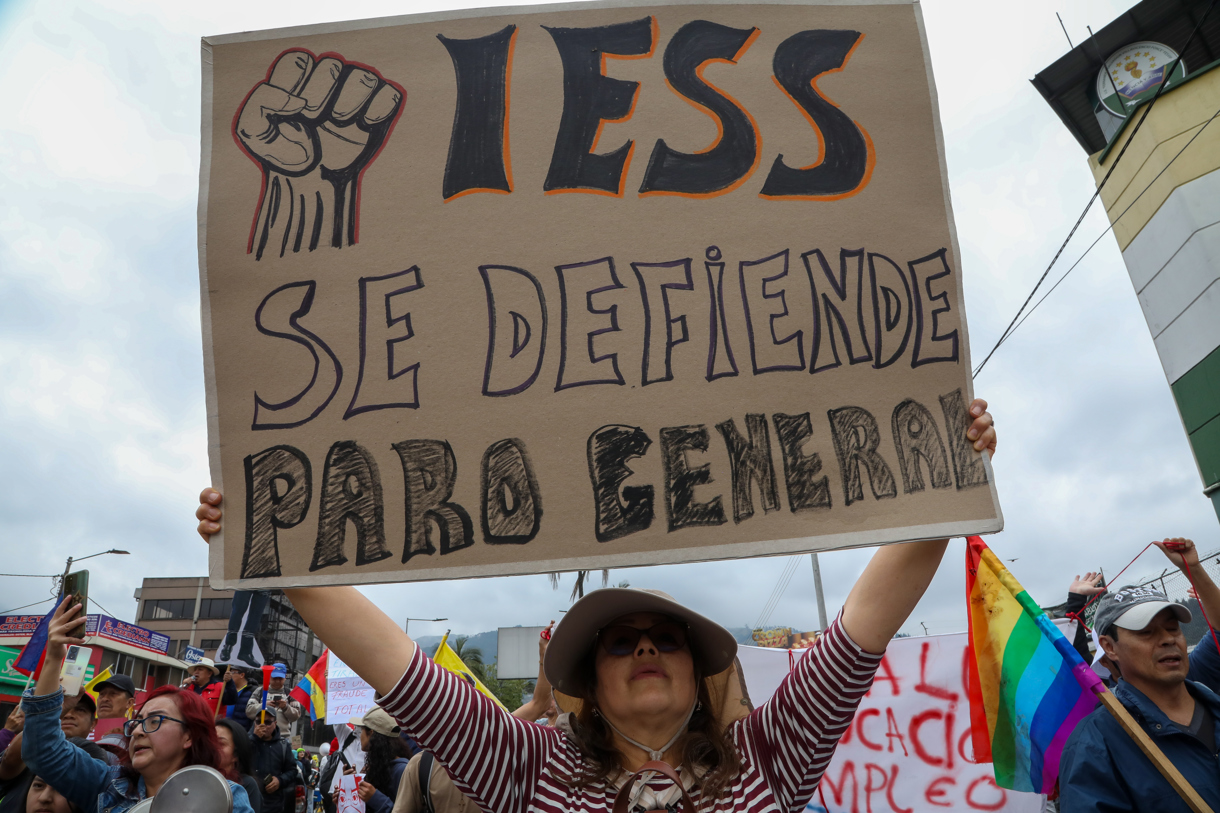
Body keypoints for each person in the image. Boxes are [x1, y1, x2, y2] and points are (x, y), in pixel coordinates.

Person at [198, 395, 992, 813]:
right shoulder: (531, 766)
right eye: (621, 641)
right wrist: (268, 545)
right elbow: (399, 668)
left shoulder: (767, 755)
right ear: (591, 680)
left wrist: (949, 476)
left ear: (698, 670)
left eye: (665, 637)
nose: (645, 646)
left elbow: (861, 629)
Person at [20, 598, 256, 813]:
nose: (138, 732)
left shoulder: (226, 796)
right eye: (137, 722)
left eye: (154, 721)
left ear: (189, 736)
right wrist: (53, 656)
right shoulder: (106, 783)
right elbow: (42, 751)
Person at [1059, 581, 1220, 811]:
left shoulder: (1212, 704)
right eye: (1146, 632)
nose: (1168, 639)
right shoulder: (1095, 743)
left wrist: (1194, 570)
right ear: (1109, 648)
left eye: (1173, 628)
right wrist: (1075, 604)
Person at [347, 709, 410, 813]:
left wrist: (375, 798)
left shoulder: (402, 771)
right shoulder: (377, 767)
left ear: (371, 733)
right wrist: (347, 795)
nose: (360, 736)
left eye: (361, 731)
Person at [248, 711, 297, 813]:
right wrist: (254, 739)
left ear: (275, 724)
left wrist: (280, 781)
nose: (263, 726)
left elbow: (292, 770)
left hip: (273, 805)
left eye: (268, 722)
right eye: (259, 722)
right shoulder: (246, 741)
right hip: (248, 802)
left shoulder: (283, 746)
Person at [216, 718, 262, 813]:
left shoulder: (247, 785)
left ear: (236, 755)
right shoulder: (199, 777)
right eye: (210, 742)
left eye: (220, 744)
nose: (213, 747)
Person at [246, 665, 301, 739]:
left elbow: (296, 716)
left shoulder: (291, 693)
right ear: (269, 676)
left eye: (280, 678)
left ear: (285, 677)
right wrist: (263, 706)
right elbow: (249, 711)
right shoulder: (259, 691)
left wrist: (285, 707)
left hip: (282, 736)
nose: (277, 681)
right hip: (261, 734)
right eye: (275, 678)